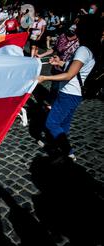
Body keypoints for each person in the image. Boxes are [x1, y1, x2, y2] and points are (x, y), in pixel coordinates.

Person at [37, 16, 101, 163]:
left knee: (51, 123)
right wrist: (60, 62)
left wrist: (44, 78)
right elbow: (76, 69)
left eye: (78, 26)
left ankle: (68, 153)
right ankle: (56, 149)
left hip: (69, 93)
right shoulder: (89, 49)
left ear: (85, 29)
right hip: (75, 94)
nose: (75, 28)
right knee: (63, 124)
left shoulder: (83, 49)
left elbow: (69, 75)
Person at [37, 25, 80, 106]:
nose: (70, 34)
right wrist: (41, 55)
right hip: (57, 66)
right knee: (55, 86)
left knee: (65, 88)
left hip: (70, 68)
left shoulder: (79, 41)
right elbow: (54, 49)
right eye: (69, 31)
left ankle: (59, 104)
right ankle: (52, 103)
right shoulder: (62, 36)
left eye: (73, 32)